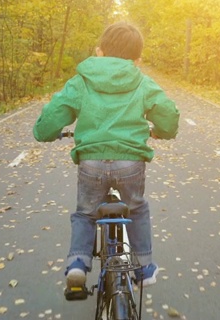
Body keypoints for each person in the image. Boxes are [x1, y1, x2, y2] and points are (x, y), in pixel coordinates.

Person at [33, 21, 180, 295]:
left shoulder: (81, 81)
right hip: (130, 163)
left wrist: (45, 132)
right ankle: (145, 268)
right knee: (136, 209)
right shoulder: (142, 82)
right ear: (137, 59)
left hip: (92, 162)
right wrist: (162, 130)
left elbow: (54, 114)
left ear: (99, 51)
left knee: (86, 213)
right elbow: (168, 115)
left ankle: (78, 261)